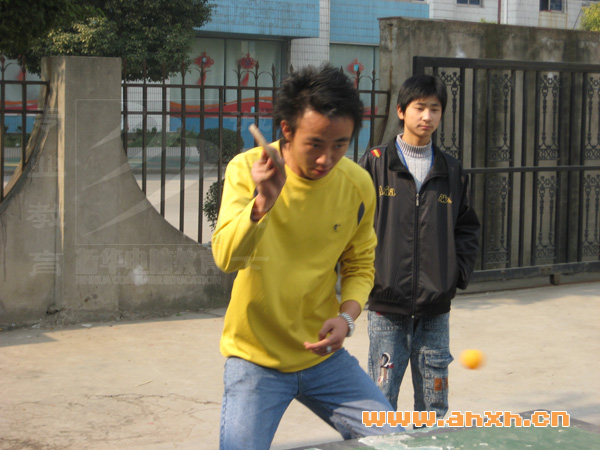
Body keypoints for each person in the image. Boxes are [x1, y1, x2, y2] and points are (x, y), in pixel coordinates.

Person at [212, 65, 403, 450]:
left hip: (324, 359)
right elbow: (227, 258)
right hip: (255, 359)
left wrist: (347, 318)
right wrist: (262, 202)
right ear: (286, 130)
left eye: (340, 145)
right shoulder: (246, 171)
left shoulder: (357, 184)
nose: (326, 158)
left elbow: (360, 264)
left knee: (395, 440)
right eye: (315, 144)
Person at [358, 74, 481, 420]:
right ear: (401, 111)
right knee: (381, 401)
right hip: (386, 307)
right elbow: (352, 223)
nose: (427, 116)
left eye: (435, 109)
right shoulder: (375, 163)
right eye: (419, 107)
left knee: (434, 405)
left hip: (435, 310)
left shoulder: (451, 170)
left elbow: (466, 227)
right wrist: (364, 278)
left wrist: (453, 276)